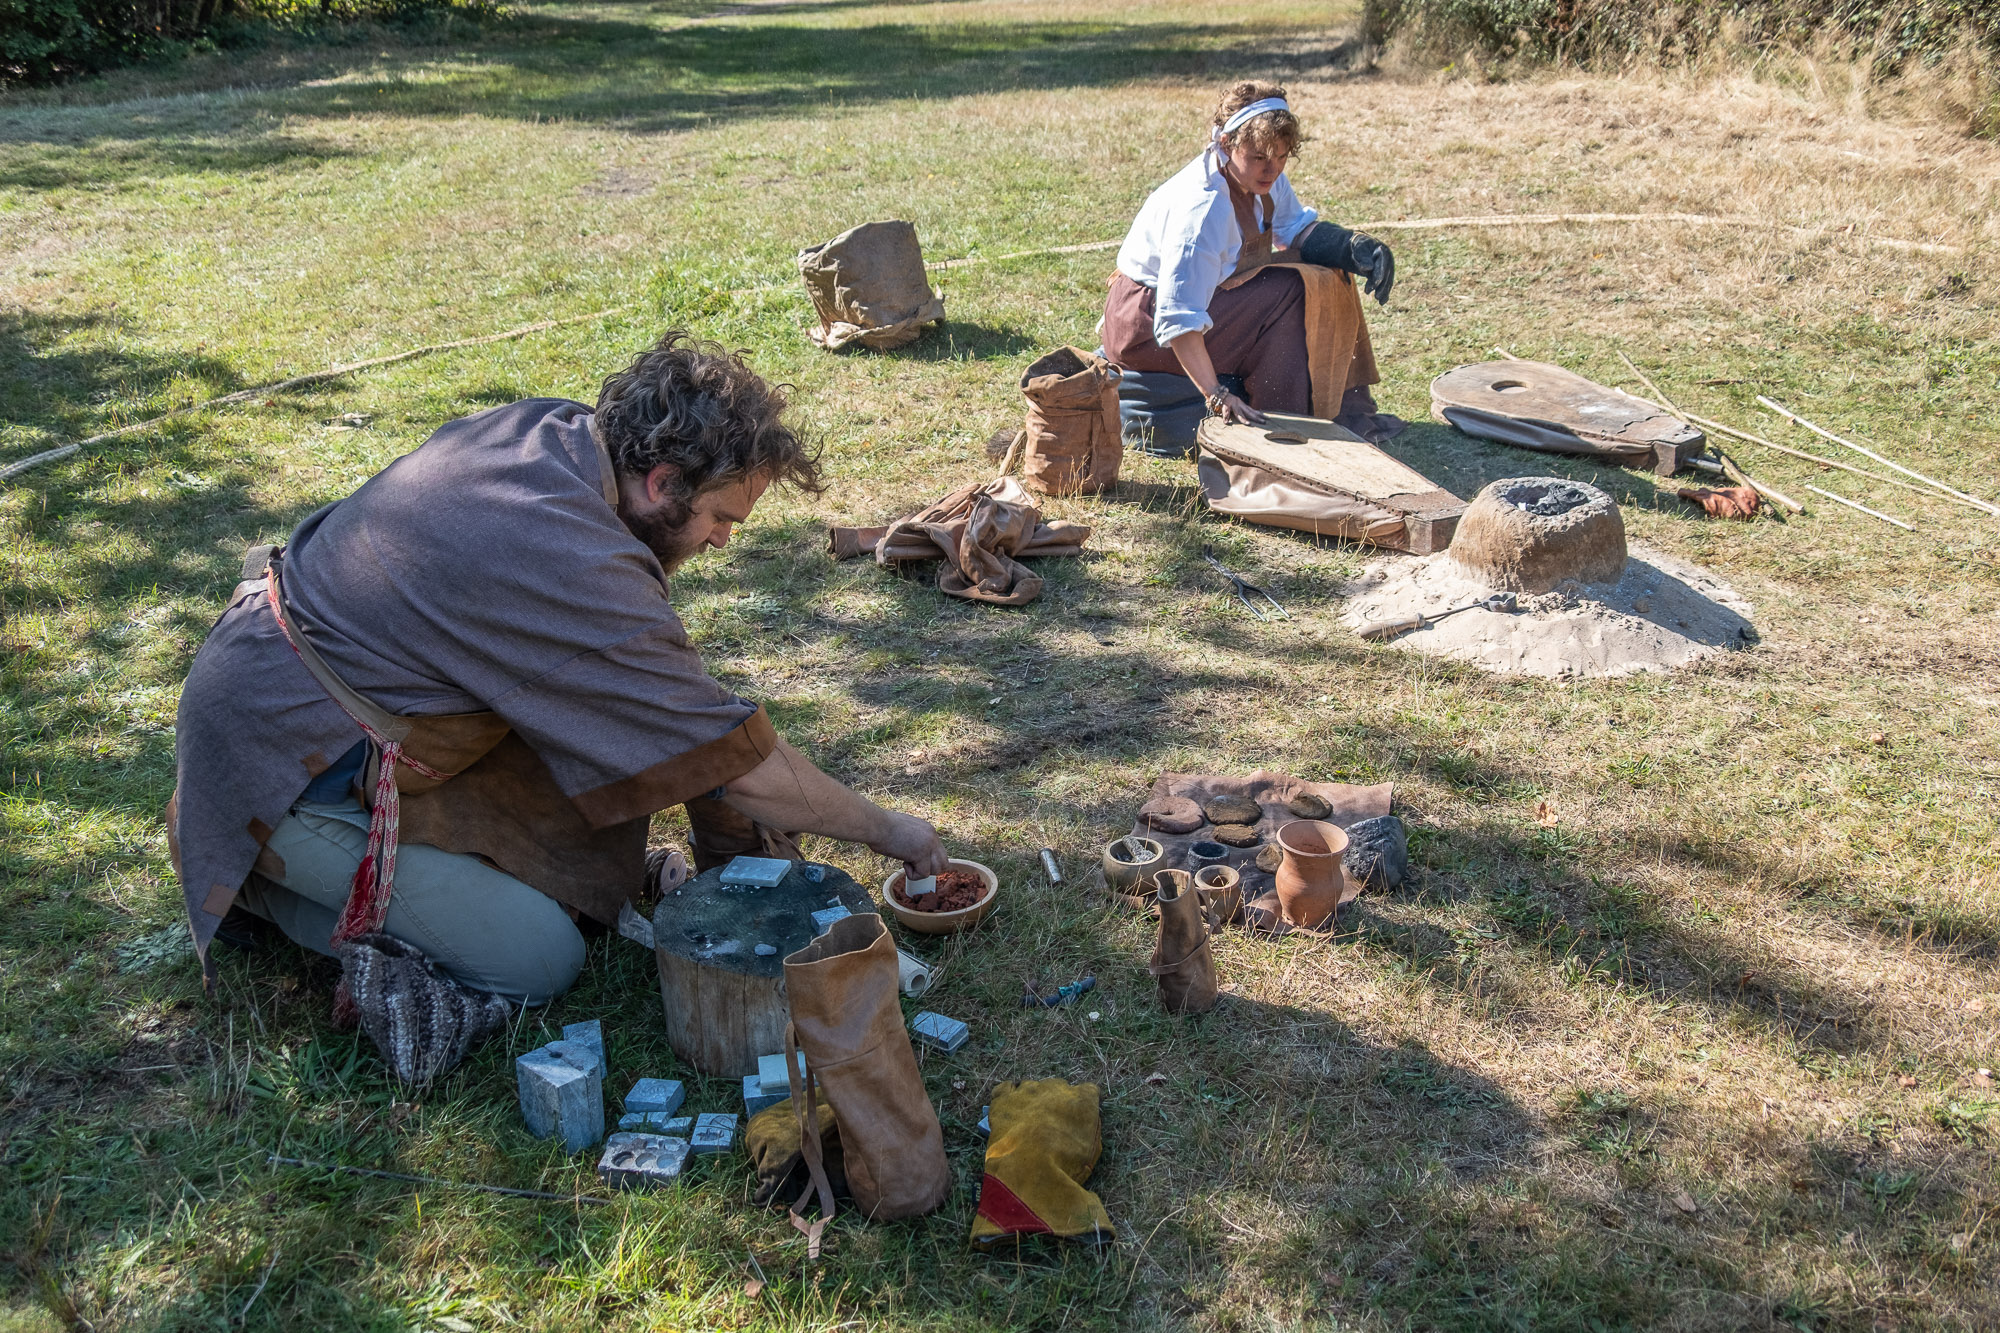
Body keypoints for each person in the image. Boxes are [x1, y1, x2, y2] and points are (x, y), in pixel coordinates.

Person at [169, 332, 947, 1008]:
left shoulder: (556, 433)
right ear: (663, 481)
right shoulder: (567, 554)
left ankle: (287, 861)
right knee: (539, 955)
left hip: (284, 684)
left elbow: (669, 711)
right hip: (282, 760)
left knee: (578, 835)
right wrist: (892, 830)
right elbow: (739, 770)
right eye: (720, 517)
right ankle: (252, 878)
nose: (719, 542)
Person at [1104, 80, 1403, 443]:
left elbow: (1294, 229)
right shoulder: (1201, 212)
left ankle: (1340, 410)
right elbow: (1178, 319)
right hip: (1145, 324)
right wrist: (1217, 395)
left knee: (1329, 274)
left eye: (1280, 156)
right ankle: (1284, 424)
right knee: (1289, 291)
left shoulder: (1262, 177)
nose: (1272, 168)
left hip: (1205, 301)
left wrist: (1350, 247)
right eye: (1260, 157)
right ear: (1227, 144)